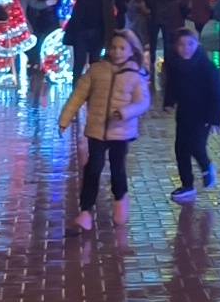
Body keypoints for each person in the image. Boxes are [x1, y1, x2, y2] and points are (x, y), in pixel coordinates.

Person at [59, 29, 152, 232]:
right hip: (97, 130)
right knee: (93, 168)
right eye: (114, 47)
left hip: (121, 131)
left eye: (122, 48)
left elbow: (143, 101)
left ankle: (120, 200)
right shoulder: (96, 70)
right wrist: (65, 118)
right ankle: (85, 211)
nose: (117, 52)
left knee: (118, 169)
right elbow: (78, 95)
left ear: (130, 51)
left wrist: (126, 112)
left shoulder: (135, 75)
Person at [161, 28, 220, 203]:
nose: (186, 48)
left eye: (190, 44)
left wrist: (215, 119)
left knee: (196, 145)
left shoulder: (206, 67)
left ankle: (206, 167)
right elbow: (171, 85)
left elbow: (217, 93)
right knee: (181, 148)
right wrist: (169, 102)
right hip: (184, 112)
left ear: (198, 44)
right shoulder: (175, 65)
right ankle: (187, 184)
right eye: (181, 44)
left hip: (203, 114)